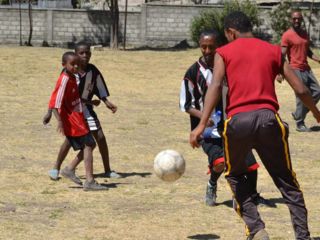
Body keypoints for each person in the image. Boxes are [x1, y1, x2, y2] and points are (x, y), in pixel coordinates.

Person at [190, 11, 320, 240]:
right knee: (287, 181)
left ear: (230, 32)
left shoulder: (224, 52)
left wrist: (201, 124)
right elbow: (301, 89)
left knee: (234, 175)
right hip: (269, 120)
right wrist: (317, 114)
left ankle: (257, 227)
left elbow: (216, 85)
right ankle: (303, 236)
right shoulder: (274, 51)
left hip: (237, 123)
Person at [180, 30, 271, 207]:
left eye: (211, 47)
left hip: (232, 126)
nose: (207, 51)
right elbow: (186, 105)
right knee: (221, 163)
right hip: (207, 132)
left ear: (218, 47)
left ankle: (251, 195)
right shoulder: (192, 73)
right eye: (203, 47)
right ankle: (212, 184)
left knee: (250, 165)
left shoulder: (228, 67)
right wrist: (203, 119)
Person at [44, 42, 121, 181]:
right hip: (72, 112)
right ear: (75, 54)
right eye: (81, 53)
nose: (85, 55)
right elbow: (57, 95)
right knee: (70, 141)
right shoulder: (69, 73)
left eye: (87, 53)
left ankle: (107, 170)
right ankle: (57, 167)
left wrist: (106, 102)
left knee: (100, 137)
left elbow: (99, 87)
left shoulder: (93, 70)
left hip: (86, 109)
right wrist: (50, 112)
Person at [48, 51, 107, 191]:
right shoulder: (64, 79)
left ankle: (70, 169)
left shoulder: (73, 77)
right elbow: (55, 102)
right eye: (72, 64)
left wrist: (90, 102)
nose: (75, 67)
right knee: (89, 144)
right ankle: (89, 181)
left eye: (77, 64)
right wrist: (59, 121)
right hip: (71, 118)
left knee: (90, 145)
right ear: (64, 65)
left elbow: (75, 98)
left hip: (76, 116)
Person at [280, 10, 320, 132]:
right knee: (301, 95)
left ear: (302, 19)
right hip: (295, 69)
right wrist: (279, 72)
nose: (296, 21)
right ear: (291, 20)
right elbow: (282, 55)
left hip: (306, 68)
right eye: (294, 18)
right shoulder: (287, 35)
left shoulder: (304, 34)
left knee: (317, 91)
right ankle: (299, 123)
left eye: (299, 18)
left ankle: (298, 113)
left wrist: (318, 59)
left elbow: (308, 51)